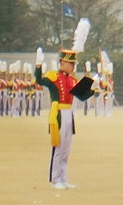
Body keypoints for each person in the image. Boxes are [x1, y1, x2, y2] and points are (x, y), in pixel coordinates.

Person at [34, 48, 93, 190]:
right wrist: (38, 65)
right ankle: (55, 179)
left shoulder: (73, 80)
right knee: (58, 149)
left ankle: (64, 178)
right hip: (58, 114)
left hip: (69, 114)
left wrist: (89, 78)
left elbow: (83, 95)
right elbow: (39, 80)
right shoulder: (54, 77)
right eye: (70, 63)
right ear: (62, 62)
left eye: (73, 64)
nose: (73, 66)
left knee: (66, 150)